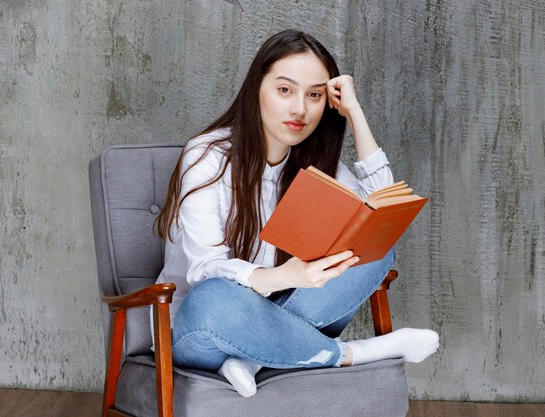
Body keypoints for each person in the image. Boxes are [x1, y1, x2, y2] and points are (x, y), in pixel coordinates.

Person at [154, 29, 439, 397]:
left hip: (278, 314)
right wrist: (285, 276)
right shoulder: (208, 155)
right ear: (257, 88)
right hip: (202, 329)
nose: (300, 109)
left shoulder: (317, 165)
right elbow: (203, 267)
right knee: (214, 296)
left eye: (315, 95)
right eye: (285, 90)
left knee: (376, 247)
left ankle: (255, 359)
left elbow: (385, 210)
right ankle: (356, 352)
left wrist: (355, 113)